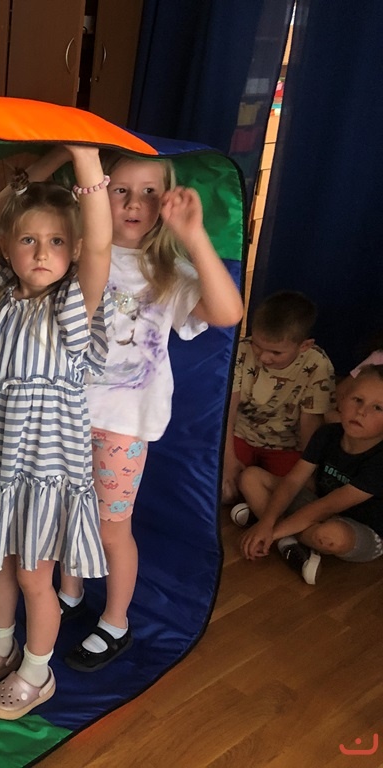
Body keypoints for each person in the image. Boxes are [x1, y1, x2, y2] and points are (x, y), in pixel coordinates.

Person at [58, 152, 244, 672]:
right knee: (66, 512)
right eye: (121, 190)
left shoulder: (168, 271)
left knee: (111, 529)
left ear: (165, 203)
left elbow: (229, 313)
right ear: (98, 193)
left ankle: (115, 621)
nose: (134, 203)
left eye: (149, 193)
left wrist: (193, 235)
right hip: (63, 414)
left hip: (121, 425)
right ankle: (70, 591)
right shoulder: (73, 252)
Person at [0, 145, 112, 719]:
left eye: (56, 241)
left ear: (73, 250)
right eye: (29, 240)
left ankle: (36, 669)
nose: (42, 252)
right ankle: (0, 644)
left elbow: (99, 248)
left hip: (43, 477)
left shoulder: (71, 305)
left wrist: (85, 162)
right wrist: (34, 178)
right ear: (8, 248)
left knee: (33, 577)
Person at [234, 365, 383, 585]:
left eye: (378, 408)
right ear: (342, 400)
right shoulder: (327, 434)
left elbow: (328, 506)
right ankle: (288, 544)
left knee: (330, 536)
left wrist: (271, 532)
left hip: (361, 528)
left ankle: (279, 532)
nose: (361, 411)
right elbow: (293, 481)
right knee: (250, 477)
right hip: (317, 506)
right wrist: (267, 522)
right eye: (357, 400)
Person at [222, 291, 335, 505]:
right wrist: (228, 459)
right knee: (224, 491)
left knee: (303, 492)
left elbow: (310, 424)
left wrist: (309, 471)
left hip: (287, 447)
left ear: (304, 346)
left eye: (276, 353)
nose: (264, 357)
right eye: (257, 345)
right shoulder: (241, 351)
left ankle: (254, 506)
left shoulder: (317, 364)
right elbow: (228, 409)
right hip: (241, 436)